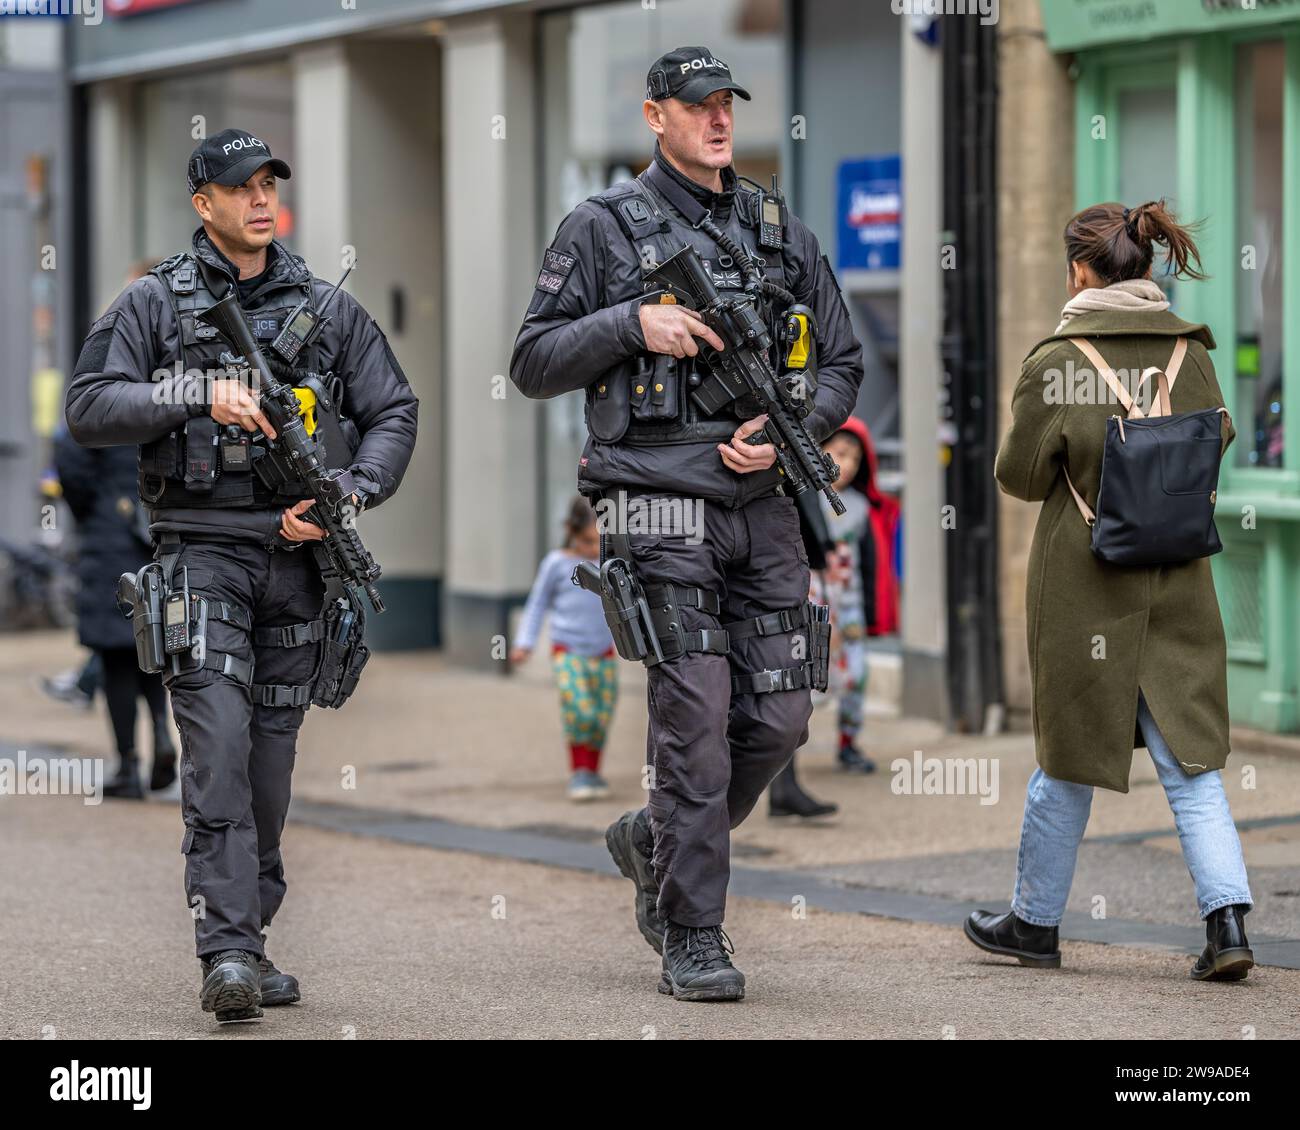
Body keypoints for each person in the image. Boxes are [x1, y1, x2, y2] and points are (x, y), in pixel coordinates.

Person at [511, 47, 863, 1001]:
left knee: (784, 712)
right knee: (696, 721)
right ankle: (694, 933)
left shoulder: (775, 226)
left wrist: (796, 429)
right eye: (697, 105)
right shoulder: (600, 227)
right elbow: (534, 360)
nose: (717, 120)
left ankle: (655, 841)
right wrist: (633, 323)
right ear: (654, 115)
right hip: (655, 500)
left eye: (726, 104)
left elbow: (841, 360)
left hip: (764, 500)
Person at [65, 128, 419, 1022]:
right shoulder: (154, 303)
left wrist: (349, 490)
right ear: (204, 204)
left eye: (270, 183)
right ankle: (225, 950)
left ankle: (249, 936)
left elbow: (393, 411)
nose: (260, 198)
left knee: (268, 768)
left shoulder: (327, 311)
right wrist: (191, 392)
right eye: (241, 186)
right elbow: (90, 406)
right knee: (217, 752)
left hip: (298, 562)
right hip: (200, 554)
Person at [969, 199, 1254, 981]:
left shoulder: (1056, 359)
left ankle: (1033, 926)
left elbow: (1020, 478)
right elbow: (1213, 444)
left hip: (1084, 587)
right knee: (1193, 769)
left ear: (1078, 270)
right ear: (1147, 265)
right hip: (1178, 582)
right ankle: (1227, 923)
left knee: (1065, 760)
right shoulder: (1193, 353)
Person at [53, 424, 176, 798]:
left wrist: (92, 508)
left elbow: (70, 462)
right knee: (150, 646)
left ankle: (128, 766)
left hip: (108, 539)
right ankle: (161, 733)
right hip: (152, 533)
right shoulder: (158, 397)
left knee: (115, 658)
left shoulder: (100, 402)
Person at [510, 496, 619, 802]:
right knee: (580, 711)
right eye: (587, 541)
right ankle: (579, 772)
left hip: (604, 651)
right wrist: (523, 643)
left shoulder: (609, 566)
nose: (592, 549)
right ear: (571, 531)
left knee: (601, 716)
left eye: (599, 542)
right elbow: (537, 604)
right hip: (567, 650)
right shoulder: (556, 564)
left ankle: (592, 772)